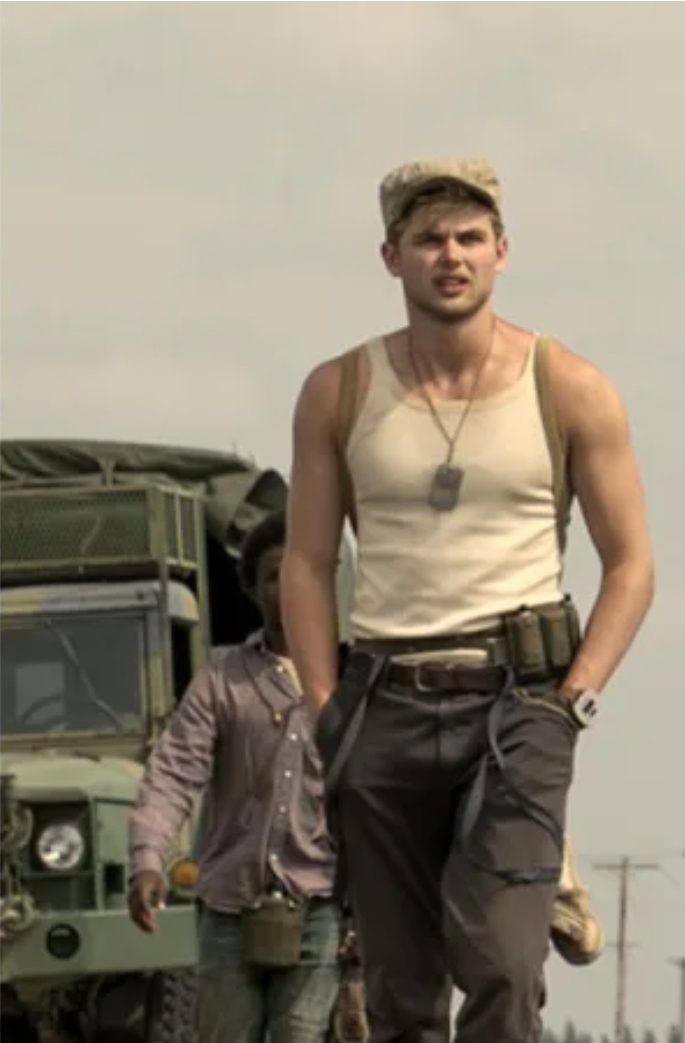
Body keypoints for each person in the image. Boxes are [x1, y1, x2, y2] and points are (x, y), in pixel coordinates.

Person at [281, 158, 654, 1043]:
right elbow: (305, 561)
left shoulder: (569, 385)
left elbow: (632, 564)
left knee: (503, 964)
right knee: (401, 987)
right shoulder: (339, 390)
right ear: (391, 256)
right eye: (428, 240)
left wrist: (572, 701)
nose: (450, 256)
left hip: (519, 706)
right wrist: (325, 707)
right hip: (384, 703)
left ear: (501, 250)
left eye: (469, 238)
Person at [128, 511, 342, 1043]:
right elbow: (174, 772)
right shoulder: (221, 682)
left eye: (298, 572)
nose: (286, 588)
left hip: (321, 905)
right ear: (251, 589)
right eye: (272, 576)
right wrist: (147, 859)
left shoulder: (352, 677)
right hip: (230, 909)